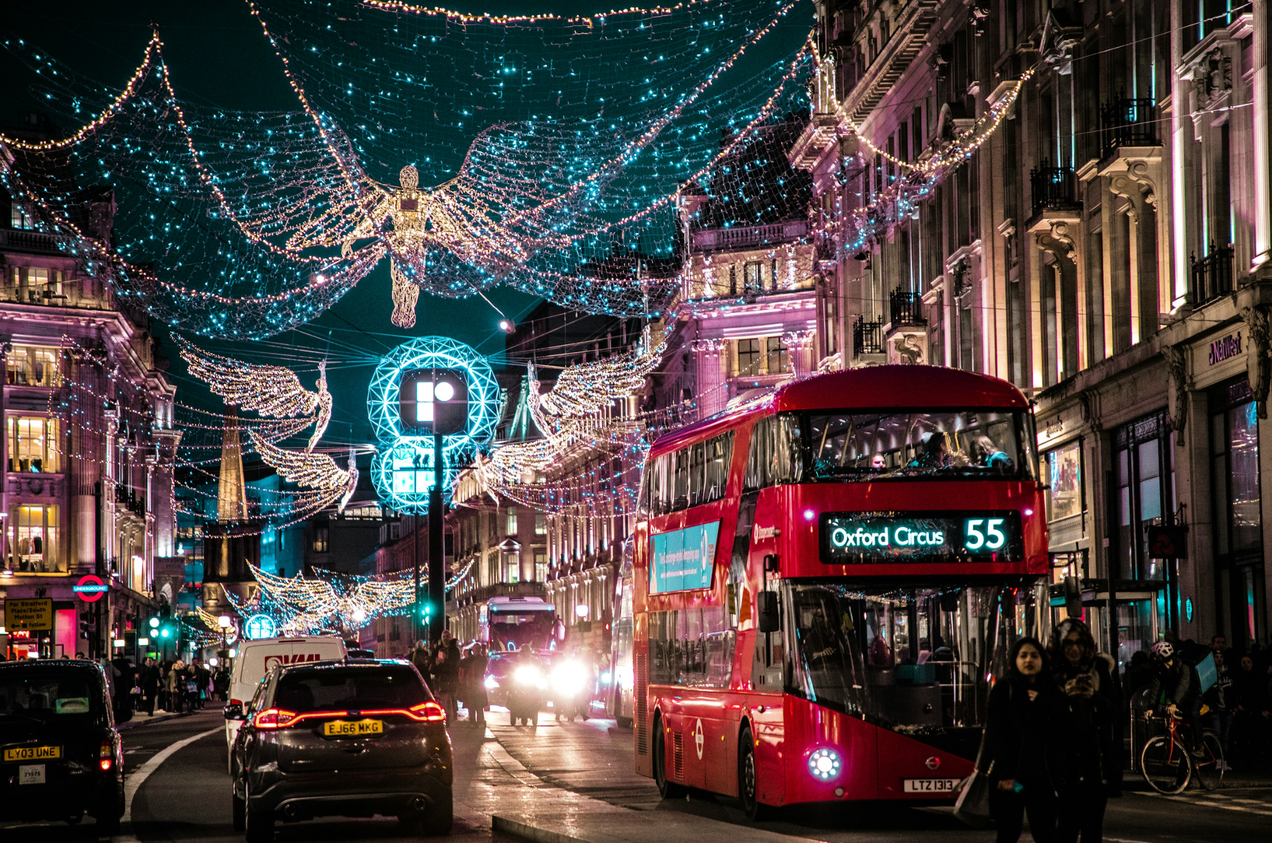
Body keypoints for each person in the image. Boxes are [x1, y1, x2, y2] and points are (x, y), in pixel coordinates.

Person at [983, 637, 1065, 843]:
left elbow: (1061, 729)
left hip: (1042, 780)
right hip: (1013, 780)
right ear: (1015, 659)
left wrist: (1042, 703)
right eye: (1023, 655)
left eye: (1034, 655)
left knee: (1045, 832)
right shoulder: (1004, 689)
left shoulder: (1051, 690)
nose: (1029, 660)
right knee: (1009, 831)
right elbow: (995, 734)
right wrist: (1003, 774)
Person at [1049, 619, 1121, 843]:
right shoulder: (1052, 671)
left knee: (1092, 830)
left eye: (1079, 643)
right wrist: (1063, 697)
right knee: (1066, 828)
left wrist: (1094, 697)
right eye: (1068, 643)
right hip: (1064, 763)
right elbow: (1043, 718)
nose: (1074, 648)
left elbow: (1114, 713)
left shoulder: (1099, 668)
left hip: (1094, 764)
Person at [1145, 640, 1203, 755]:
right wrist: (1151, 707)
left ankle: (1200, 747)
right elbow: (1156, 689)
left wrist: (1174, 703)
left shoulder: (1183, 665)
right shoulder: (1160, 670)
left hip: (1193, 697)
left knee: (1193, 714)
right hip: (1177, 701)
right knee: (1176, 727)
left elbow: (1183, 685)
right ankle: (1185, 761)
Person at [1204, 646, 1233, 771]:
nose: (1219, 659)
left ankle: (1224, 760)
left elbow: (1233, 691)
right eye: (1217, 657)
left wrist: (1234, 707)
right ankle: (1218, 760)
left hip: (1227, 709)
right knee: (1217, 734)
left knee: (1225, 736)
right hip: (1215, 709)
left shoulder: (1228, 673)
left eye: (1221, 657)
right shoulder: (1210, 673)